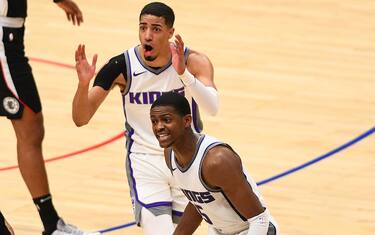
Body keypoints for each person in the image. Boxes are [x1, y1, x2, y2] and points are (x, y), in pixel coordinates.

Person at [72, 2, 219, 234]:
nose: (147, 35)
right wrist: (82, 86)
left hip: (187, 160)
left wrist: (184, 74)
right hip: (145, 161)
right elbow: (81, 118)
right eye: (143, 28)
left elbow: (212, 108)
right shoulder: (121, 66)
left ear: (171, 32)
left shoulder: (193, 61)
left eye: (156, 29)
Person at [0, 0, 99, 234]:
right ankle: (51, 224)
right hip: (4, 40)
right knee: (30, 127)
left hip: (10, 36)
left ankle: (51, 223)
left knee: (31, 128)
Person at [149, 92, 279, 235]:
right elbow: (198, 203)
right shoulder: (170, 154)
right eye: (154, 121)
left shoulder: (217, 161)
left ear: (187, 121)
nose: (158, 127)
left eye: (166, 120)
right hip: (219, 231)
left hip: (253, 229)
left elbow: (259, 219)